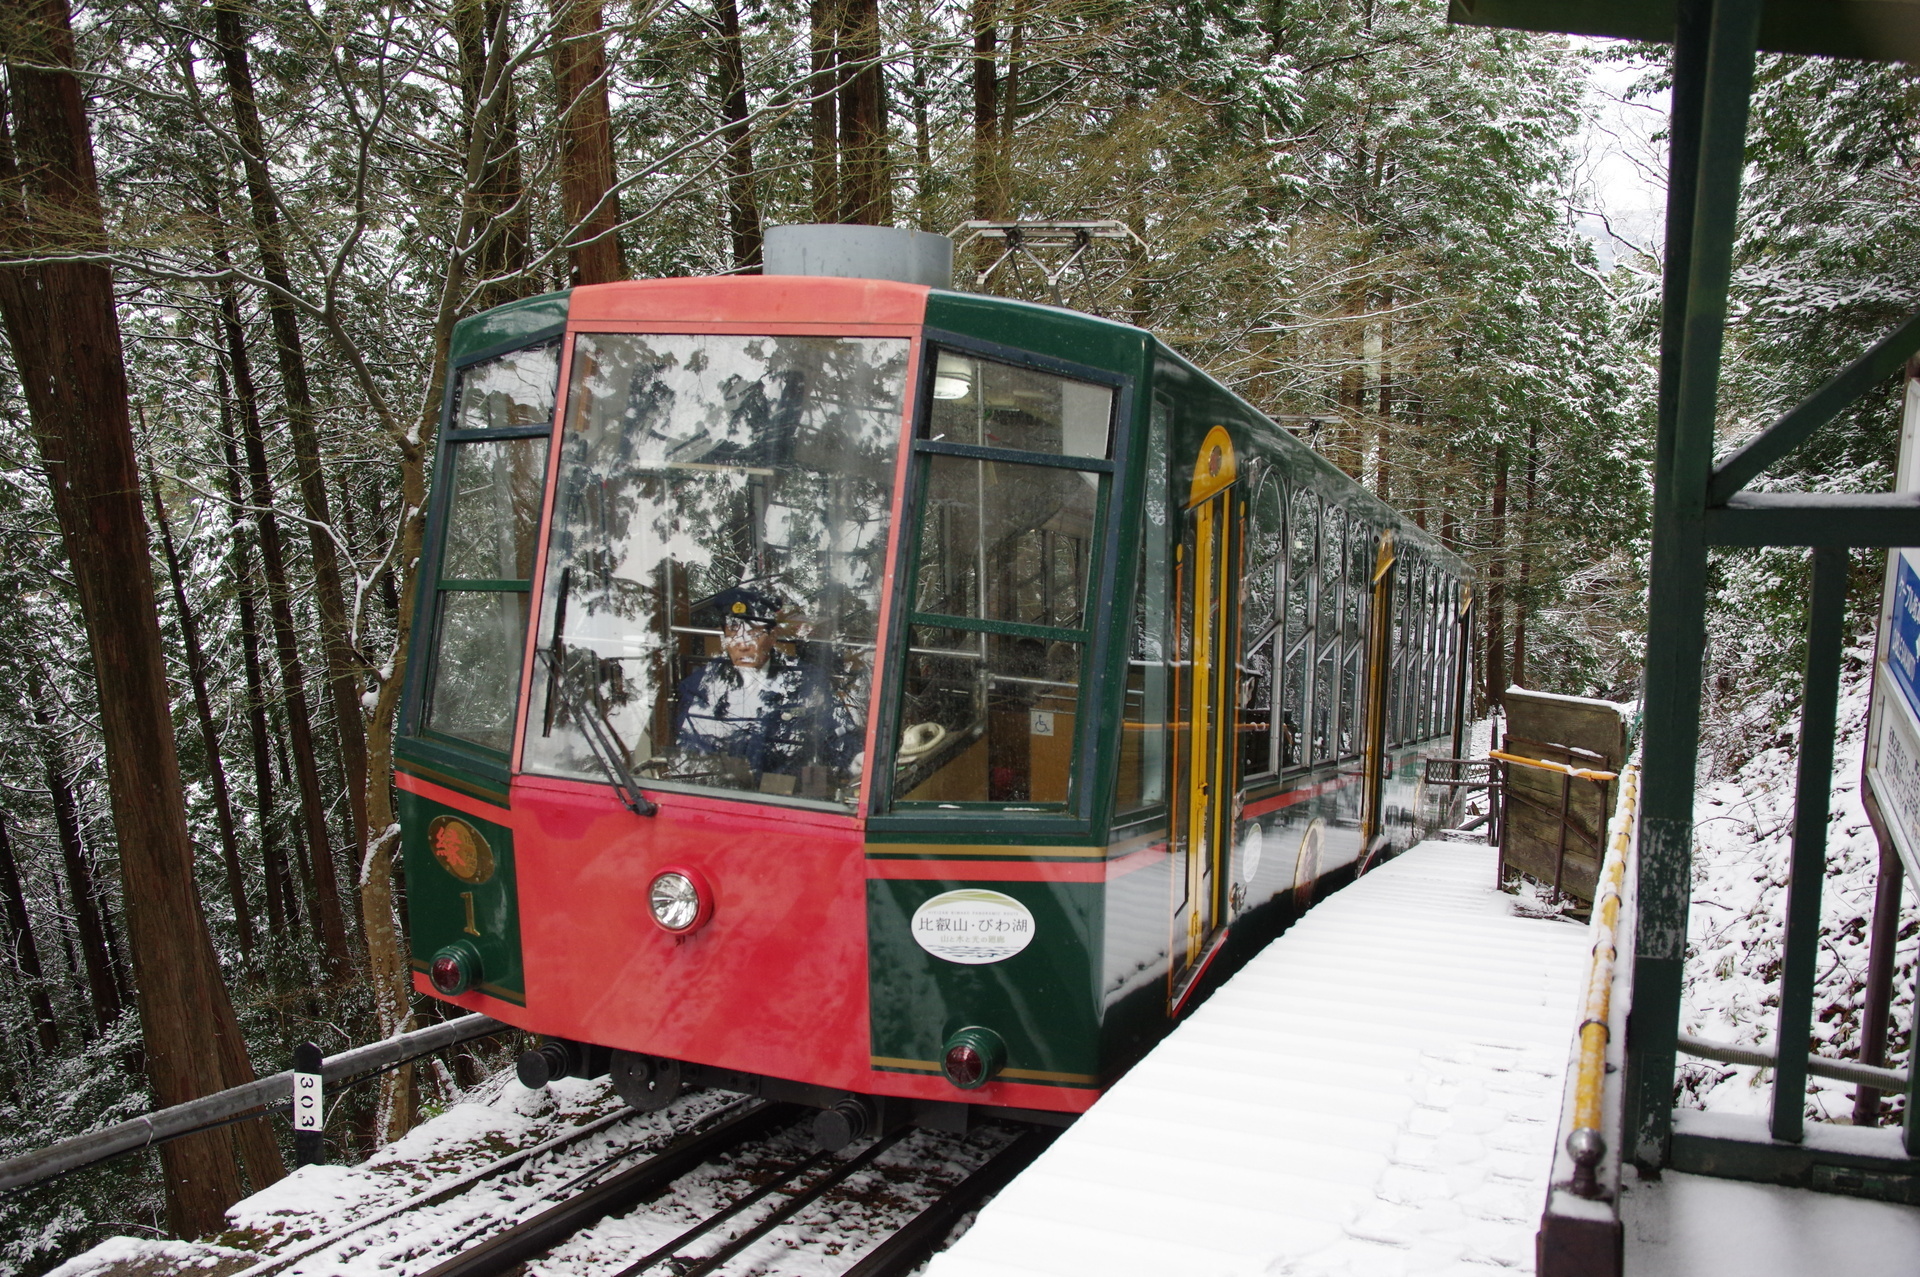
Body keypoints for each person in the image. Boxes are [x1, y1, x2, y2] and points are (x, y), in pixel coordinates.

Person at [672, 585, 861, 788]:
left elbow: (837, 732)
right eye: (733, 632)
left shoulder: (804, 679)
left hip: (788, 795)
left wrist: (856, 758)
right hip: (724, 795)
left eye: (754, 633)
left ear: (772, 637)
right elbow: (689, 751)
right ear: (724, 638)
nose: (743, 644)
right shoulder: (700, 684)